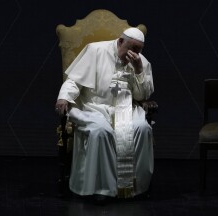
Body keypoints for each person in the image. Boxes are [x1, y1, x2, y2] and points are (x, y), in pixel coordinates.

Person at [55, 27, 155, 203]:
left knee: (142, 128)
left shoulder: (141, 62)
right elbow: (74, 81)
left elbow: (142, 96)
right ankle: (102, 188)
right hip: (95, 107)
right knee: (101, 131)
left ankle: (135, 187)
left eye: (138, 50)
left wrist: (139, 70)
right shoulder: (95, 51)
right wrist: (64, 97)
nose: (134, 54)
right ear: (120, 41)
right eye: (131, 48)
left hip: (127, 108)